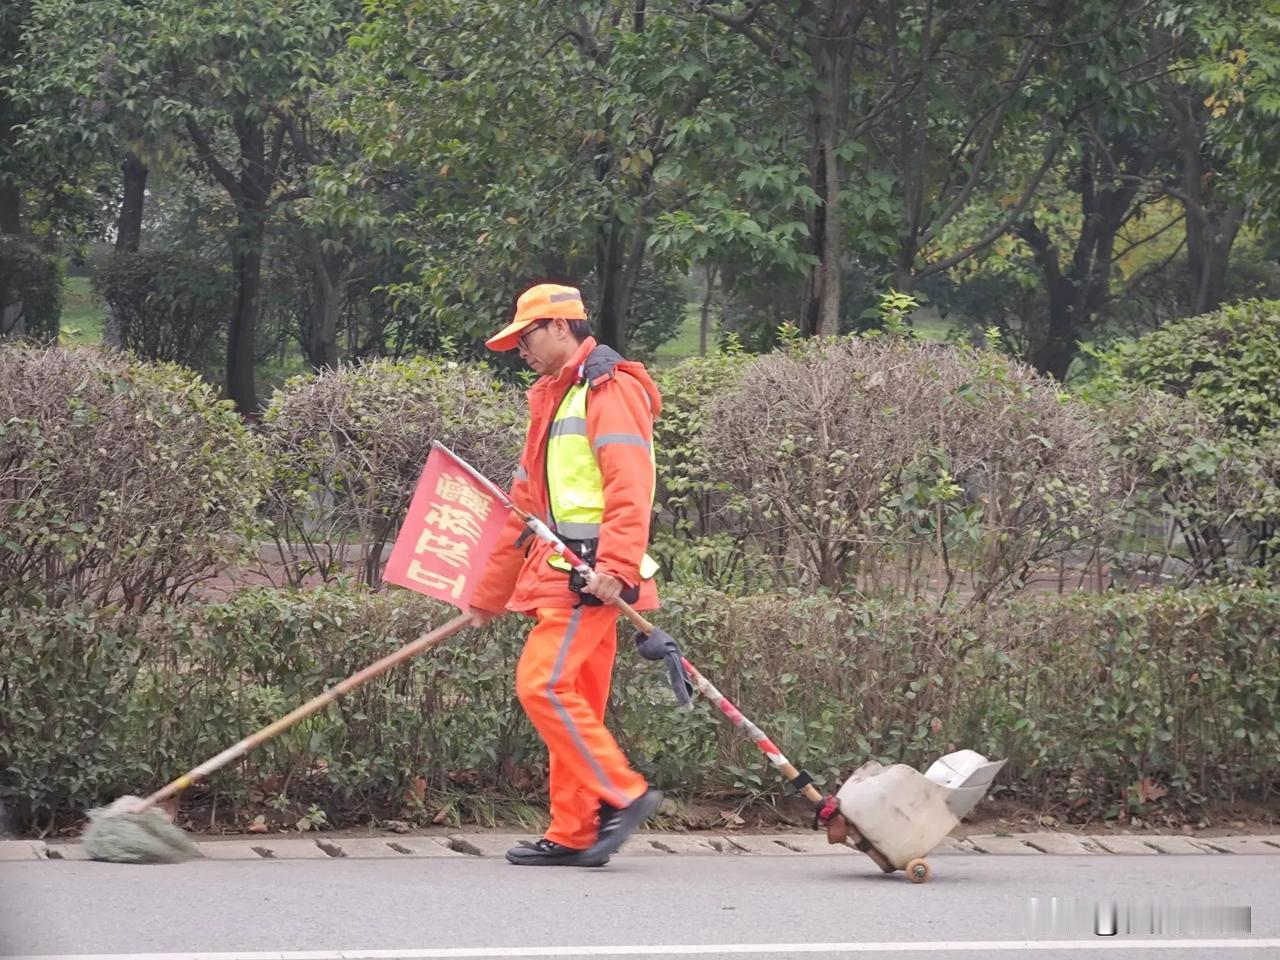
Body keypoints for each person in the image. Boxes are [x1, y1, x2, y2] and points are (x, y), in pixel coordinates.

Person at [468, 282, 665, 867]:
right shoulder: (554, 397)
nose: (519, 351)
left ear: (559, 326)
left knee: (543, 685)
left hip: (591, 578)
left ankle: (623, 793)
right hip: (572, 573)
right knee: (574, 697)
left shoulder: (610, 388)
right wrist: (489, 594)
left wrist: (618, 565)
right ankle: (577, 831)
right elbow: (523, 507)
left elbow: (632, 482)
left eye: (524, 338)